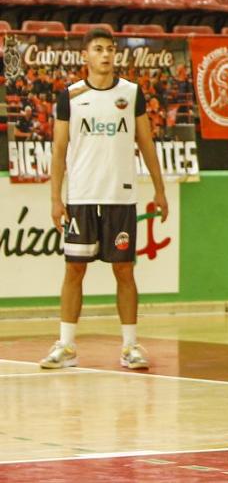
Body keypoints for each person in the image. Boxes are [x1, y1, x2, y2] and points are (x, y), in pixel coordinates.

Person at [42, 27, 169, 371]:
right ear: (85, 56)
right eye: (98, 49)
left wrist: (159, 190)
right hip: (81, 195)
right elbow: (59, 149)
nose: (105, 54)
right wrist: (56, 198)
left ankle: (130, 346)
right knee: (74, 269)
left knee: (124, 270)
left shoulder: (131, 93)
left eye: (110, 49)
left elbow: (146, 143)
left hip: (121, 195)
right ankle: (66, 346)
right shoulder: (70, 95)